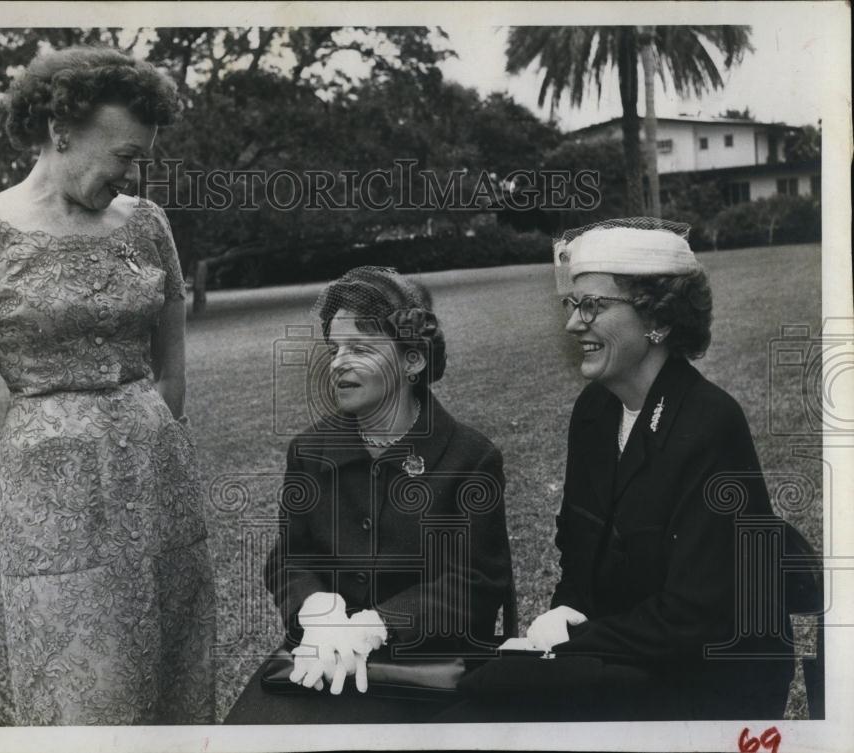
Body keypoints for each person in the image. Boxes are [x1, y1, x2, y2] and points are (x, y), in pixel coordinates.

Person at [0, 46, 215, 725]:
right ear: (60, 133)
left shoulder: (148, 224)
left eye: (143, 157)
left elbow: (171, 370)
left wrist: (149, 446)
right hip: (48, 500)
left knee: (175, 677)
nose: (134, 172)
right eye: (123, 154)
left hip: (159, 483)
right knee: (84, 694)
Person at [448, 218, 796, 722]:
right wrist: (565, 611)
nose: (573, 324)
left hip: (711, 683)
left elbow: (696, 617)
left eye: (594, 305)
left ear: (659, 318)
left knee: (492, 695)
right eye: (573, 304)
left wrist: (574, 641)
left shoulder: (709, 423)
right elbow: (579, 549)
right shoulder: (594, 411)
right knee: (484, 690)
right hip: (625, 656)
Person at [224, 266, 514, 724]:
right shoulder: (309, 451)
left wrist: (378, 625)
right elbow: (289, 558)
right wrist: (316, 611)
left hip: (428, 668)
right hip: (320, 657)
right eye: (334, 349)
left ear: (412, 360)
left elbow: (476, 584)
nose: (339, 362)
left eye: (360, 348)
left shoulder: (470, 457)